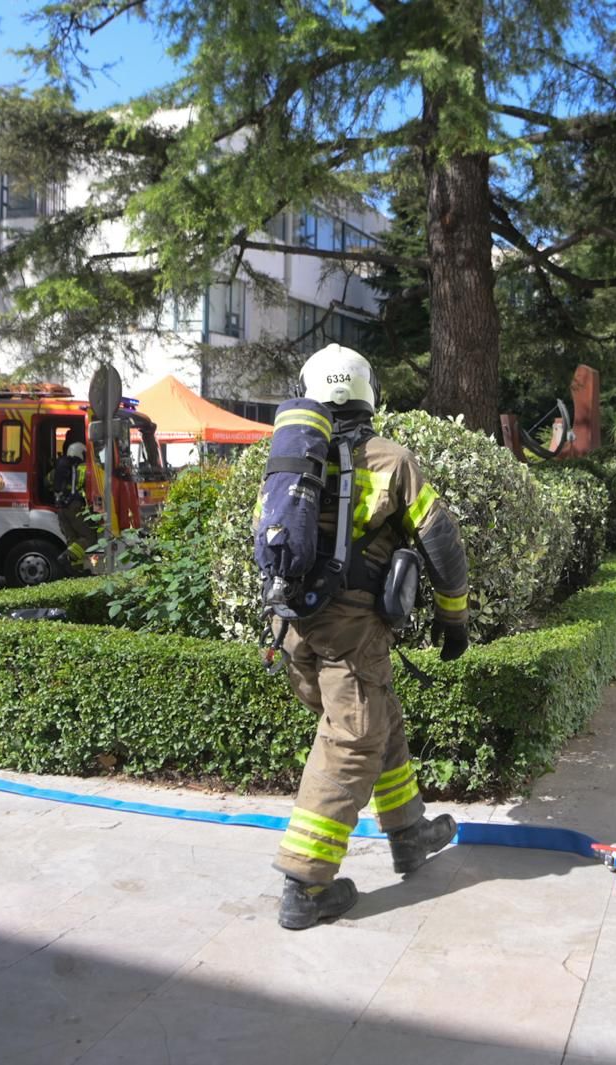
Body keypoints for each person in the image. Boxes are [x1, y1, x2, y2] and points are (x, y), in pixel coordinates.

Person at [268, 344, 471, 930]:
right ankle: (305, 885)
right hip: (351, 626)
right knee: (354, 737)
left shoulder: (289, 462)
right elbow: (442, 545)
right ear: (367, 393)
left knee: (378, 713)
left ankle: (408, 833)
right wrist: (454, 620)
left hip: (290, 626)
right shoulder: (389, 459)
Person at [51, 441, 96, 568]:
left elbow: (47, 482)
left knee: (72, 539)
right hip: (74, 506)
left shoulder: (59, 468)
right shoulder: (83, 467)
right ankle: (67, 556)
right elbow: (87, 484)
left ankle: (77, 568)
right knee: (89, 537)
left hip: (60, 508)